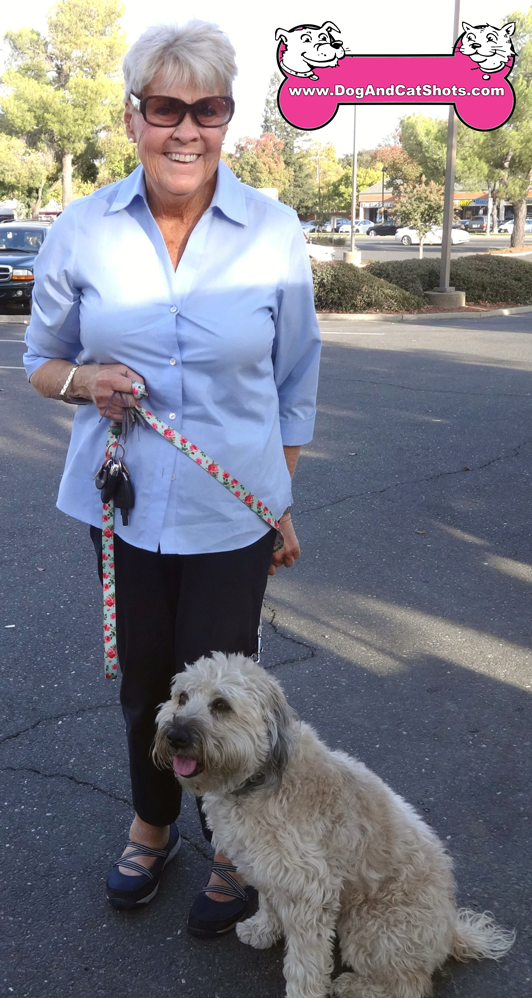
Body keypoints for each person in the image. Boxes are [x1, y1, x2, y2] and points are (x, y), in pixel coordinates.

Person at [23, 19, 321, 938]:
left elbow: (295, 384)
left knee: (231, 691)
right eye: (166, 109)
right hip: (123, 509)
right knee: (147, 681)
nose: (185, 130)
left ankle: (234, 842)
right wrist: (85, 382)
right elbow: (41, 360)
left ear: (230, 119)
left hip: (232, 516)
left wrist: (277, 504)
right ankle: (152, 825)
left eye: (209, 109)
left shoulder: (273, 230)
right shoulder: (83, 227)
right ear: (133, 118)